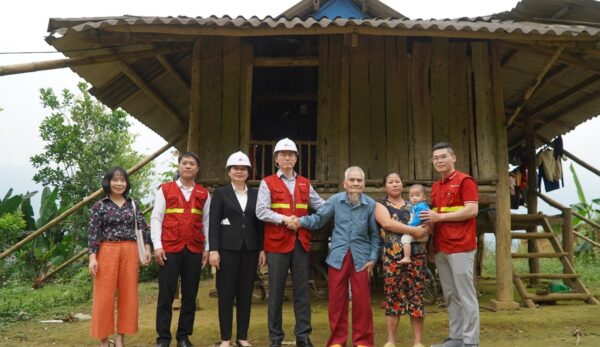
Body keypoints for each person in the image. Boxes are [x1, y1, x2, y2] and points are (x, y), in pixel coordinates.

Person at [298, 166, 382, 347]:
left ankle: (363, 341)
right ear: (345, 183)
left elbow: (375, 236)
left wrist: (373, 259)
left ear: (364, 184)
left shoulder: (370, 205)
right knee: (337, 301)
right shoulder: (335, 201)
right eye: (351, 180)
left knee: (362, 301)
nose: (355, 183)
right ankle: (337, 340)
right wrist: (299, 221)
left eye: (359, 180)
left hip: (362, 258)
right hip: (338, 255)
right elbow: (318, 219)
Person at [255, 138, 324, 347]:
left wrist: (339, 205)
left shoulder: (305, 182)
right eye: (283, 154)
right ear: (276, 159)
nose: (287, 157)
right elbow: (261, 211)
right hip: (277, 244)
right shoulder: (267, 182)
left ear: (296, 159)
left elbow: (320, 205)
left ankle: (303, 336)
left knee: (302, 292)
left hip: (300, 243)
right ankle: (275, 338)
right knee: (275, 292)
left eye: (291, 154)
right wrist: (285, 219)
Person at [420, 142, 480, 347]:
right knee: (450, 294)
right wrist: (430, 247)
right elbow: (434, 218)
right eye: (435, 158)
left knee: (466, 294)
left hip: (461, 245)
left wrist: (439, 218)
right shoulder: (437, 186)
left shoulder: (465, 181)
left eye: (443, 156)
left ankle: (471, 342)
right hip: (440, 247)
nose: (439, 161)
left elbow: (472, 210)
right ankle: (456, 338)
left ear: (453, 158)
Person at [151, 152, 211, 347]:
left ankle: (183, 336)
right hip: (169, 248)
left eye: (192, 164)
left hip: (193, 249)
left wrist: (207, 248)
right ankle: (163, 339)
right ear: (179, 166)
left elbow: (207, 222)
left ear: (197, 169)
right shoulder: (165, 190)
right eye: (184, 163)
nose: (188, 166)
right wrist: (157, 246)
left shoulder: (203, 193)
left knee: (190, 295)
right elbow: (156, 218)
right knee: (166, 295)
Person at [88, 167, 152, 347]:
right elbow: (94, 233)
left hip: (130, 250)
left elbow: (142, 227)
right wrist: (93, 257)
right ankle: (103, 339)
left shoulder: (132, 204)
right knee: (104, 296)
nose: (119, 183)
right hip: (106, 250)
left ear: (126, 183)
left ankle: (120, 338)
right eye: (115, 180)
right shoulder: (99, 206)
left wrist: (147, 248)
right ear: (108, 182)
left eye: (122, 180)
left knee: (128, 295)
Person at [209, 151, 266, 347]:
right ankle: (225, 338)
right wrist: (213, 250)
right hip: (226, 250)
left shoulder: (257, 194)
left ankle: (242, 336)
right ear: (229, 171)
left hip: (250, 249)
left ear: (248, 172)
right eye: (236, 168)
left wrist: (261, 249)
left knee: (245, 293)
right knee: (225, 294)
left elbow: (260, 224)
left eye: (243, 169)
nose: (240, 171)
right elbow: (213, 223)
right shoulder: (221, 193)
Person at [373, 173, 429, 347]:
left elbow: (427, 225)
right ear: (385, 187)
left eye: (397, 181)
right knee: (393, 296)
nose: (395, 184)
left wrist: (426, 230)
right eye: (390, 182)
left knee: (416, 296)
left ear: (402, 185)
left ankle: (418, 342)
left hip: (417, 255)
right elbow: (388, 224)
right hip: (392, 257)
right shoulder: (380, 205)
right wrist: (414, 231)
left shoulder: (414, 204)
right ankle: (391, 340)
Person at [399, 184, 431, 264]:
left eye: (417, 195)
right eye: (412, 196)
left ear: (424, 197)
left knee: (405, 238)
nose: (414, 198)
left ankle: (407, 257)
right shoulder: (416, 206)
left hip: (421, 231)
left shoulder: (421, 207)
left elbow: (417, 219)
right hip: (419, 231)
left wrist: (408, 228)